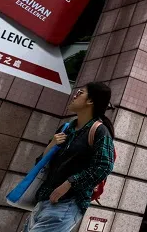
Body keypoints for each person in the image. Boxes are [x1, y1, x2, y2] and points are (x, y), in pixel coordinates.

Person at [24, 81, 116, 232]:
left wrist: (70, 183)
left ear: (91, 100)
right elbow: (42, 163)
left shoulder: (99, 131)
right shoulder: (67, 128)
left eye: (80, 93)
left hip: (66, 204)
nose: (75, 95)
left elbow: (104, 166)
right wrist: (51, 145)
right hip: (43, 201)